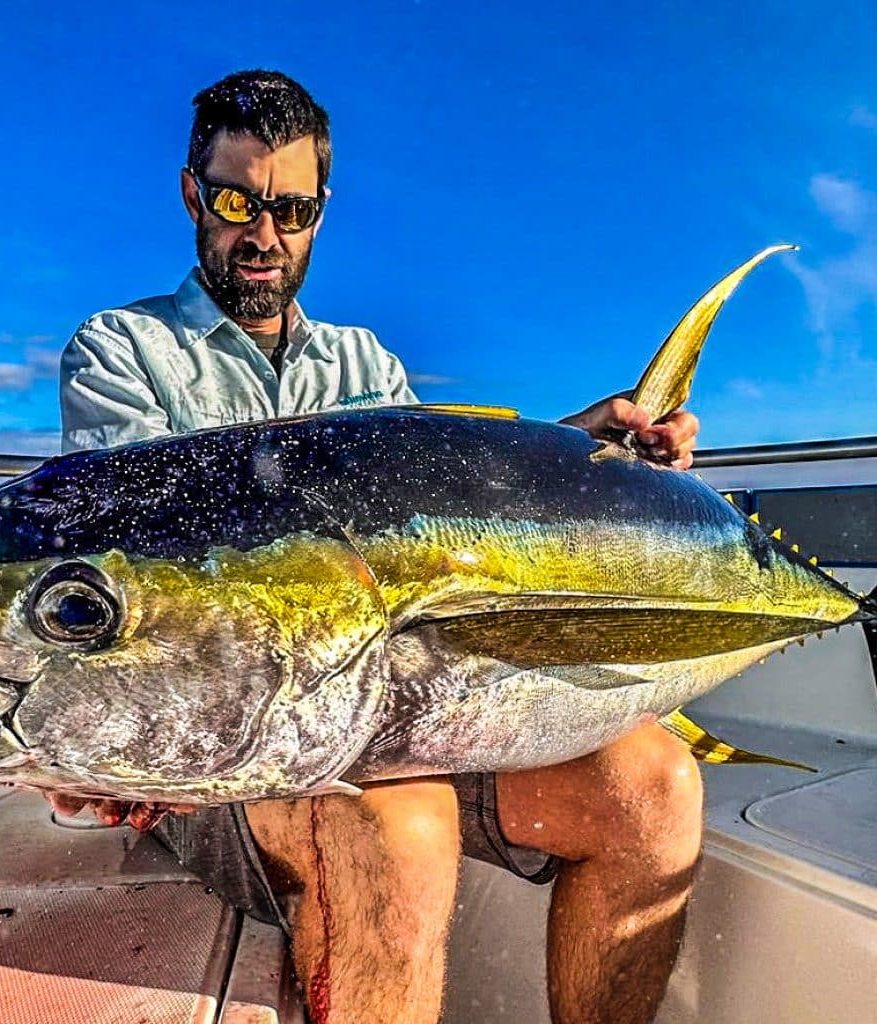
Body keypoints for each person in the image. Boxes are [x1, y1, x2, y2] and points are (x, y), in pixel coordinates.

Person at [55, 70, 702, 1024]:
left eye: (292, 208)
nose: (264, 235)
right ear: (194, 194)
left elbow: (442, 517)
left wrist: (583, 447)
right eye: (237, 201)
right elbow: (136, 571)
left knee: (654, 789)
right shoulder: (122, 352)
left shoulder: (369, 368)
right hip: (240, 749)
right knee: (405, 827)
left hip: (403, 714)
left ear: (320, 212)